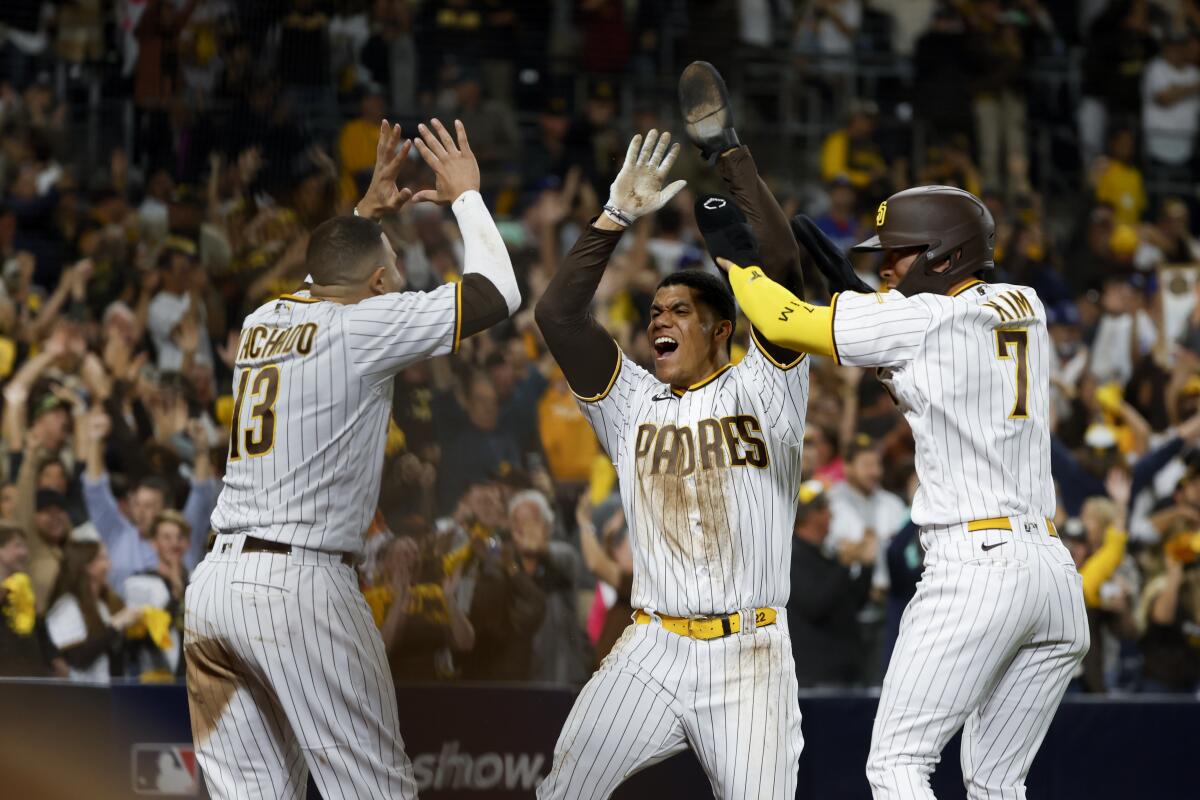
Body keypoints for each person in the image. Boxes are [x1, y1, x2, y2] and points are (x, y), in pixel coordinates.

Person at [183, 118, 520, 800]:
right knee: (375, 791)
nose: (402, 282)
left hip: (215, 589)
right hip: (301, 588)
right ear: (373, 283)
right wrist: (466, 197)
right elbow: (497, 295)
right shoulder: (365, 323)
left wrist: (364, 214)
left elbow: (328, 274)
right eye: (393, 271)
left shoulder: (263, 321)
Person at [723, 183, 1089, 798]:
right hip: (1053, 578)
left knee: (897, 764)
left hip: (979, 570)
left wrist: (738, 272)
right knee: (998, 783)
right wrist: (869, 302)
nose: (884, 267)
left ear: (943, 256)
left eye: (898, 253)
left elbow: (782, 319)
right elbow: (929, 367)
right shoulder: (1025, 302)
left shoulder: (918, 319)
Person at [534, 62, 808, 799]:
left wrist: (727, 152)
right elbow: (557, 317)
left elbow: (781, 264)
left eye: (680, 310)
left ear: (723, 329)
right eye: (654, 311)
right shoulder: (628, 400)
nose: (659, 317)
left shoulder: (765, 381)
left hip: (749, 653)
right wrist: (613, 218)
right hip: (650, 645)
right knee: (562, 792)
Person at [787, 480, 874, 687]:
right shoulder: (791, 557)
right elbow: (815, 604)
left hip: (844, 672)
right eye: (825, 508)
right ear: (810, 515)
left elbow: (855, 603)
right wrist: (843, 566)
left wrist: (865, 565)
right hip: (816, 676)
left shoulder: (827, 555)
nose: (831, 515)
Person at [45, 538, 144, 683]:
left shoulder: (105, 604)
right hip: (83, 695)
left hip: (114, 691)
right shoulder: (66, 607)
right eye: (102, 558)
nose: (109, 565)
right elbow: (78, 658)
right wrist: (115, 625)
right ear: (87, 565)